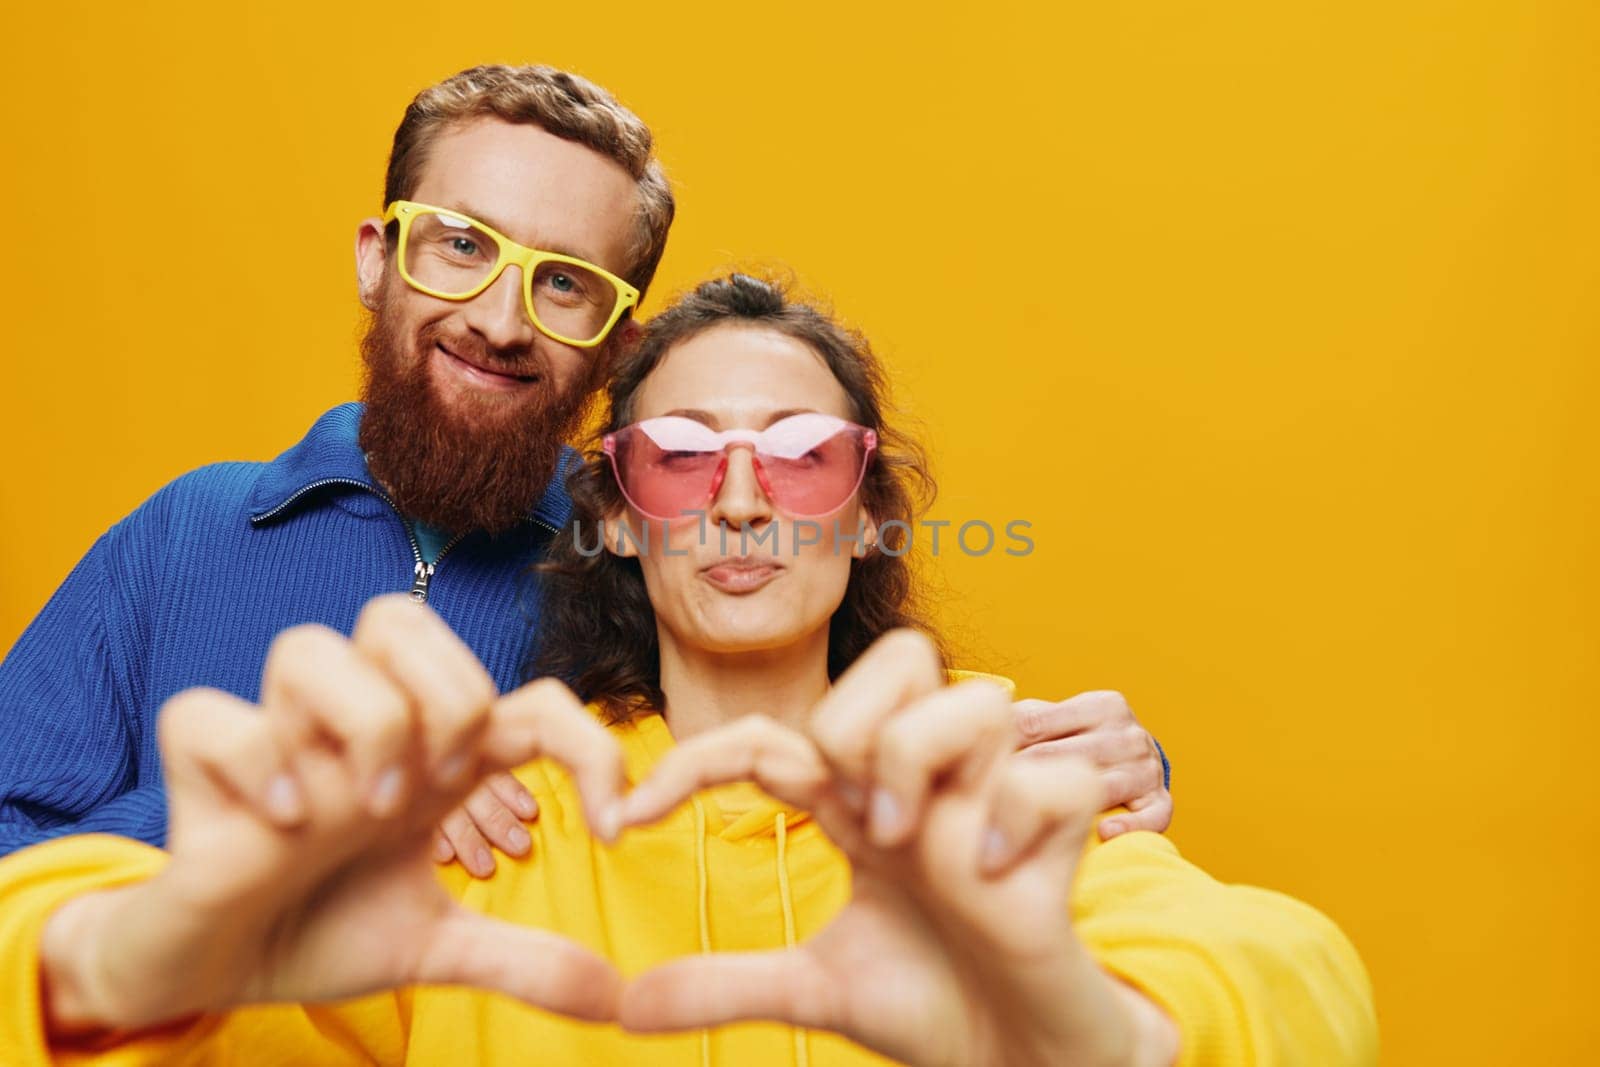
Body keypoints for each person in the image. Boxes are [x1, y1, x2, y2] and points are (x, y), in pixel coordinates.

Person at [4, 275, 1377, 1066]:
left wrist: (1095, 1030)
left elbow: (1297, 974)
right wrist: (175, 925)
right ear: (609, 510)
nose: (737, 499)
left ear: (871, 512)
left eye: (798, 451)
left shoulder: (981, 803)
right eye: (678, 454)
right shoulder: (495, 826)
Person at [0, 64, 1173, 880]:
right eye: (462, 246)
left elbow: (836, 709)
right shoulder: (182, 534)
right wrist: (266, 805)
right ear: (379, 258)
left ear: (616, 341)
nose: (501, 317)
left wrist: (1107, 759)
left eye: (562, 280)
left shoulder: (665, 552)